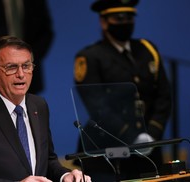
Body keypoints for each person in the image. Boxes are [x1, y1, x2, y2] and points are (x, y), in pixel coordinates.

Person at [0, 36, 91, 182]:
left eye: (26, 66)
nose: (21, 74)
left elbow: (47, 160)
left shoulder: (39, 106)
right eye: (11, 67)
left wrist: (65, 176)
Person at [73, 0, 171, 181]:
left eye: (129, 18)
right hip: (107, 152)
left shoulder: (148, 49)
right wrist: (133, 136)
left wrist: (152, 134)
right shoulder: (90, 57)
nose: (125, 23)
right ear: (104, 22)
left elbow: (163, 96)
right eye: (118, 18)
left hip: (148, 151)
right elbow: (96, 105)